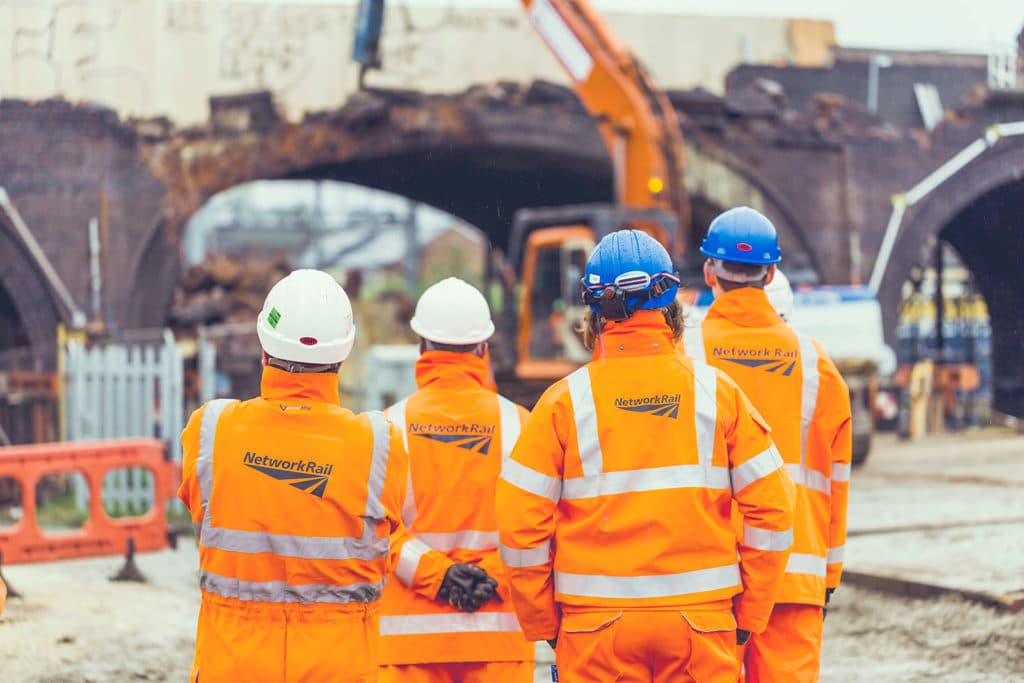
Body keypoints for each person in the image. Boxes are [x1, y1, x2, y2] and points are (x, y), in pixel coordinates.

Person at [496, 230, 796, 682]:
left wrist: (546, 625)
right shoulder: (718, 395)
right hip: (702, 625)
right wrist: (747, 616)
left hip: (595, 628)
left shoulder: (563, 404)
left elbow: (520, 528)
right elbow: (773, 512)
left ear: (594, 309)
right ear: (672, 300)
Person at [178, 269, 470, 683]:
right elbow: (390, 534)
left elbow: (200, 502)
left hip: (233, 665)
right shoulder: (378, 444)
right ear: (343, 355)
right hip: (341, 668)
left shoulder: (209, 430)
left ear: (264, 349)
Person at [684, 207, 852, 682]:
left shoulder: (686, 356)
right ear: (772, 272)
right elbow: (836, 480)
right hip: (794, 577)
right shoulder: (818, 367)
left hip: (709, 580)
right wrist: (828, 578)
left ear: (708, 272)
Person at [379, 277, 534, 682]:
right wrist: (491, 575)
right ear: (483, 349)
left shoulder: (386, 429)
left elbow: (379, 530)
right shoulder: (520, 425)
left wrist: (440, 577)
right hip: (498, 642)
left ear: (420, 347)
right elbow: (536, 530)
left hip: (409, 648)